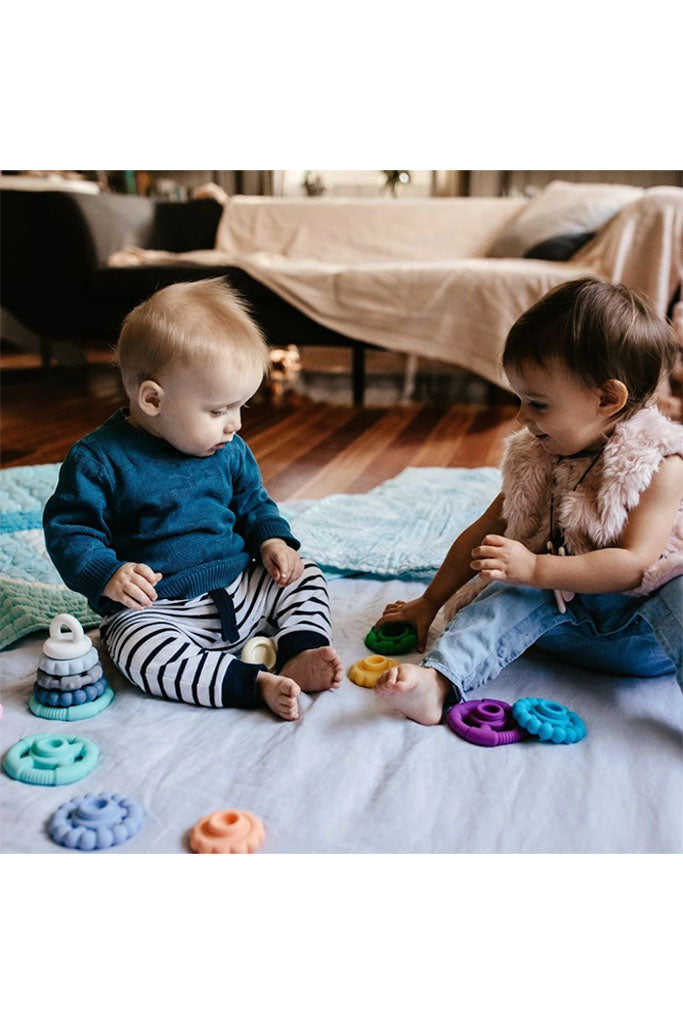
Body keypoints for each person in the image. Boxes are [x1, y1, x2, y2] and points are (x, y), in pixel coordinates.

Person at [373, 278, 683, 725]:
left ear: (607, 399)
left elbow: (635, 564)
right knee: (509, 584)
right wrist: (430, 601)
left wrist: (538, 567)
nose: (521, 417)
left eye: (537, 404)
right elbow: (484, 534)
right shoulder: (536, 456)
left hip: (642, 635)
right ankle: (438, 682)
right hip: (562, 621)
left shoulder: (658, 463)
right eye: (520, 399)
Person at [44, 278, 342, 721]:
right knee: (133, 648)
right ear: (152, 399)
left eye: (241, 407)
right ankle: (247, 683)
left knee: (307, 575)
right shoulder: (98, 460)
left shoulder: (229, 449)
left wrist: (272, 542)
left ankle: (299, 648)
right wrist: (108, 574)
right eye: (219, 410)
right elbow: (70, 529)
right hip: (160, 610)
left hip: (241, 587)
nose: (235, 424)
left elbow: (253, 502)